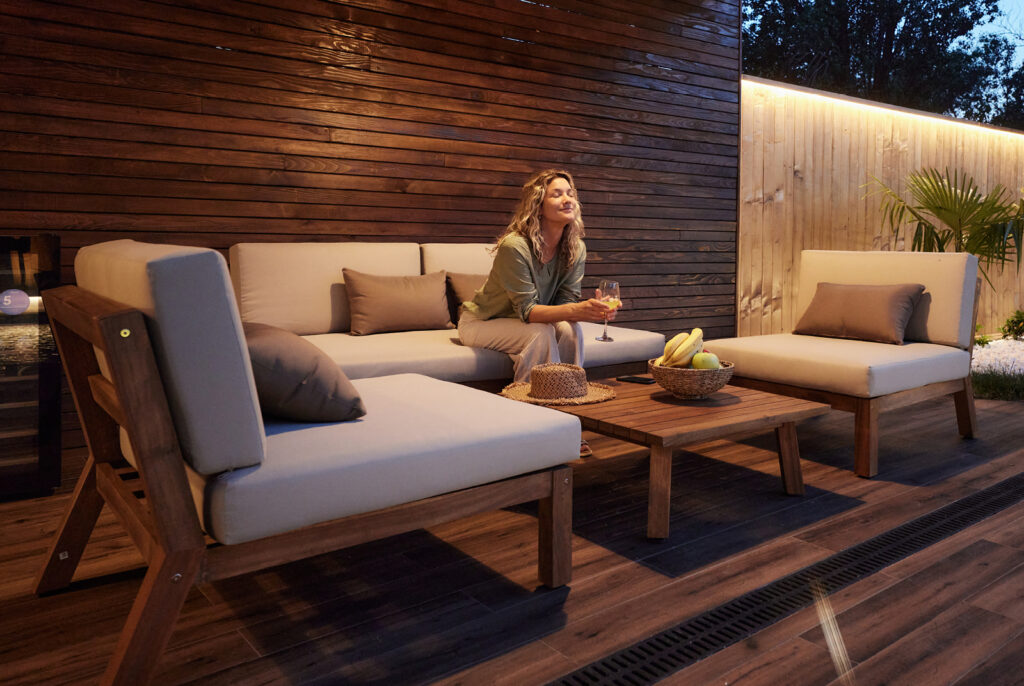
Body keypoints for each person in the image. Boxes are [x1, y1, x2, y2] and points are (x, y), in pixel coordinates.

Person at [459, 167, 616, 387]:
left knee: (571, 330)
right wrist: (577, 310)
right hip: (481, 323)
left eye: (570, 193)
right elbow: (527, 311)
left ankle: (571, 393)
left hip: (523, 323)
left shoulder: (575, 248)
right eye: (556, 194)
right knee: (540, 333)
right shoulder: (515, 247)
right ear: (539, 207)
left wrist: (592, 310)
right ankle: (532, 401)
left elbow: (565, 302)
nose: (567, 199)